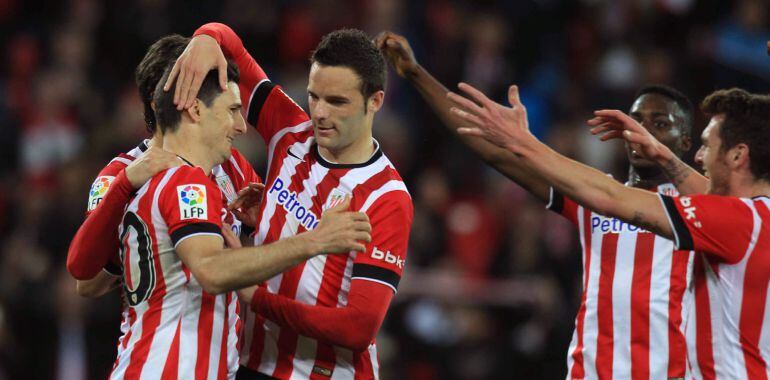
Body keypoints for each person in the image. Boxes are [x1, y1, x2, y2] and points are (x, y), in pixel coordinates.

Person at [377, 31, 696, 379]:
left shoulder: (704, 210)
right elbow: (496, 153)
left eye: (661, 123)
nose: (643, 132)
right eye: (637, 121)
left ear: (685, 141)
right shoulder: (594, 193)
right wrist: (416, 73)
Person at [450, 83, 770, 380]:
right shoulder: (759, 218)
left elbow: (609, 196)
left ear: (738, 155)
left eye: (706, 146)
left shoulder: (737, 220)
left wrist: (525, 143)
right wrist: (664, 156)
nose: (699, 157)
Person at [166, 23, 413, 379]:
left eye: (337, 101)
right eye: (314, 96)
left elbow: (357, 329)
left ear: (375, 101)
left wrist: (256, 297)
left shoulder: (387, 198)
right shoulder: (290, 131)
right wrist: (207, 36)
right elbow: (230, 43)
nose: (320, 113)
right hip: (250, 363)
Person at [107, 59, 371, 379]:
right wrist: (315, 240)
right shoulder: (186, 182)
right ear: (196, 110)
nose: (241, 125)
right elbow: (212, 270)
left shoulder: (155, 178)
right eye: (231, 110)